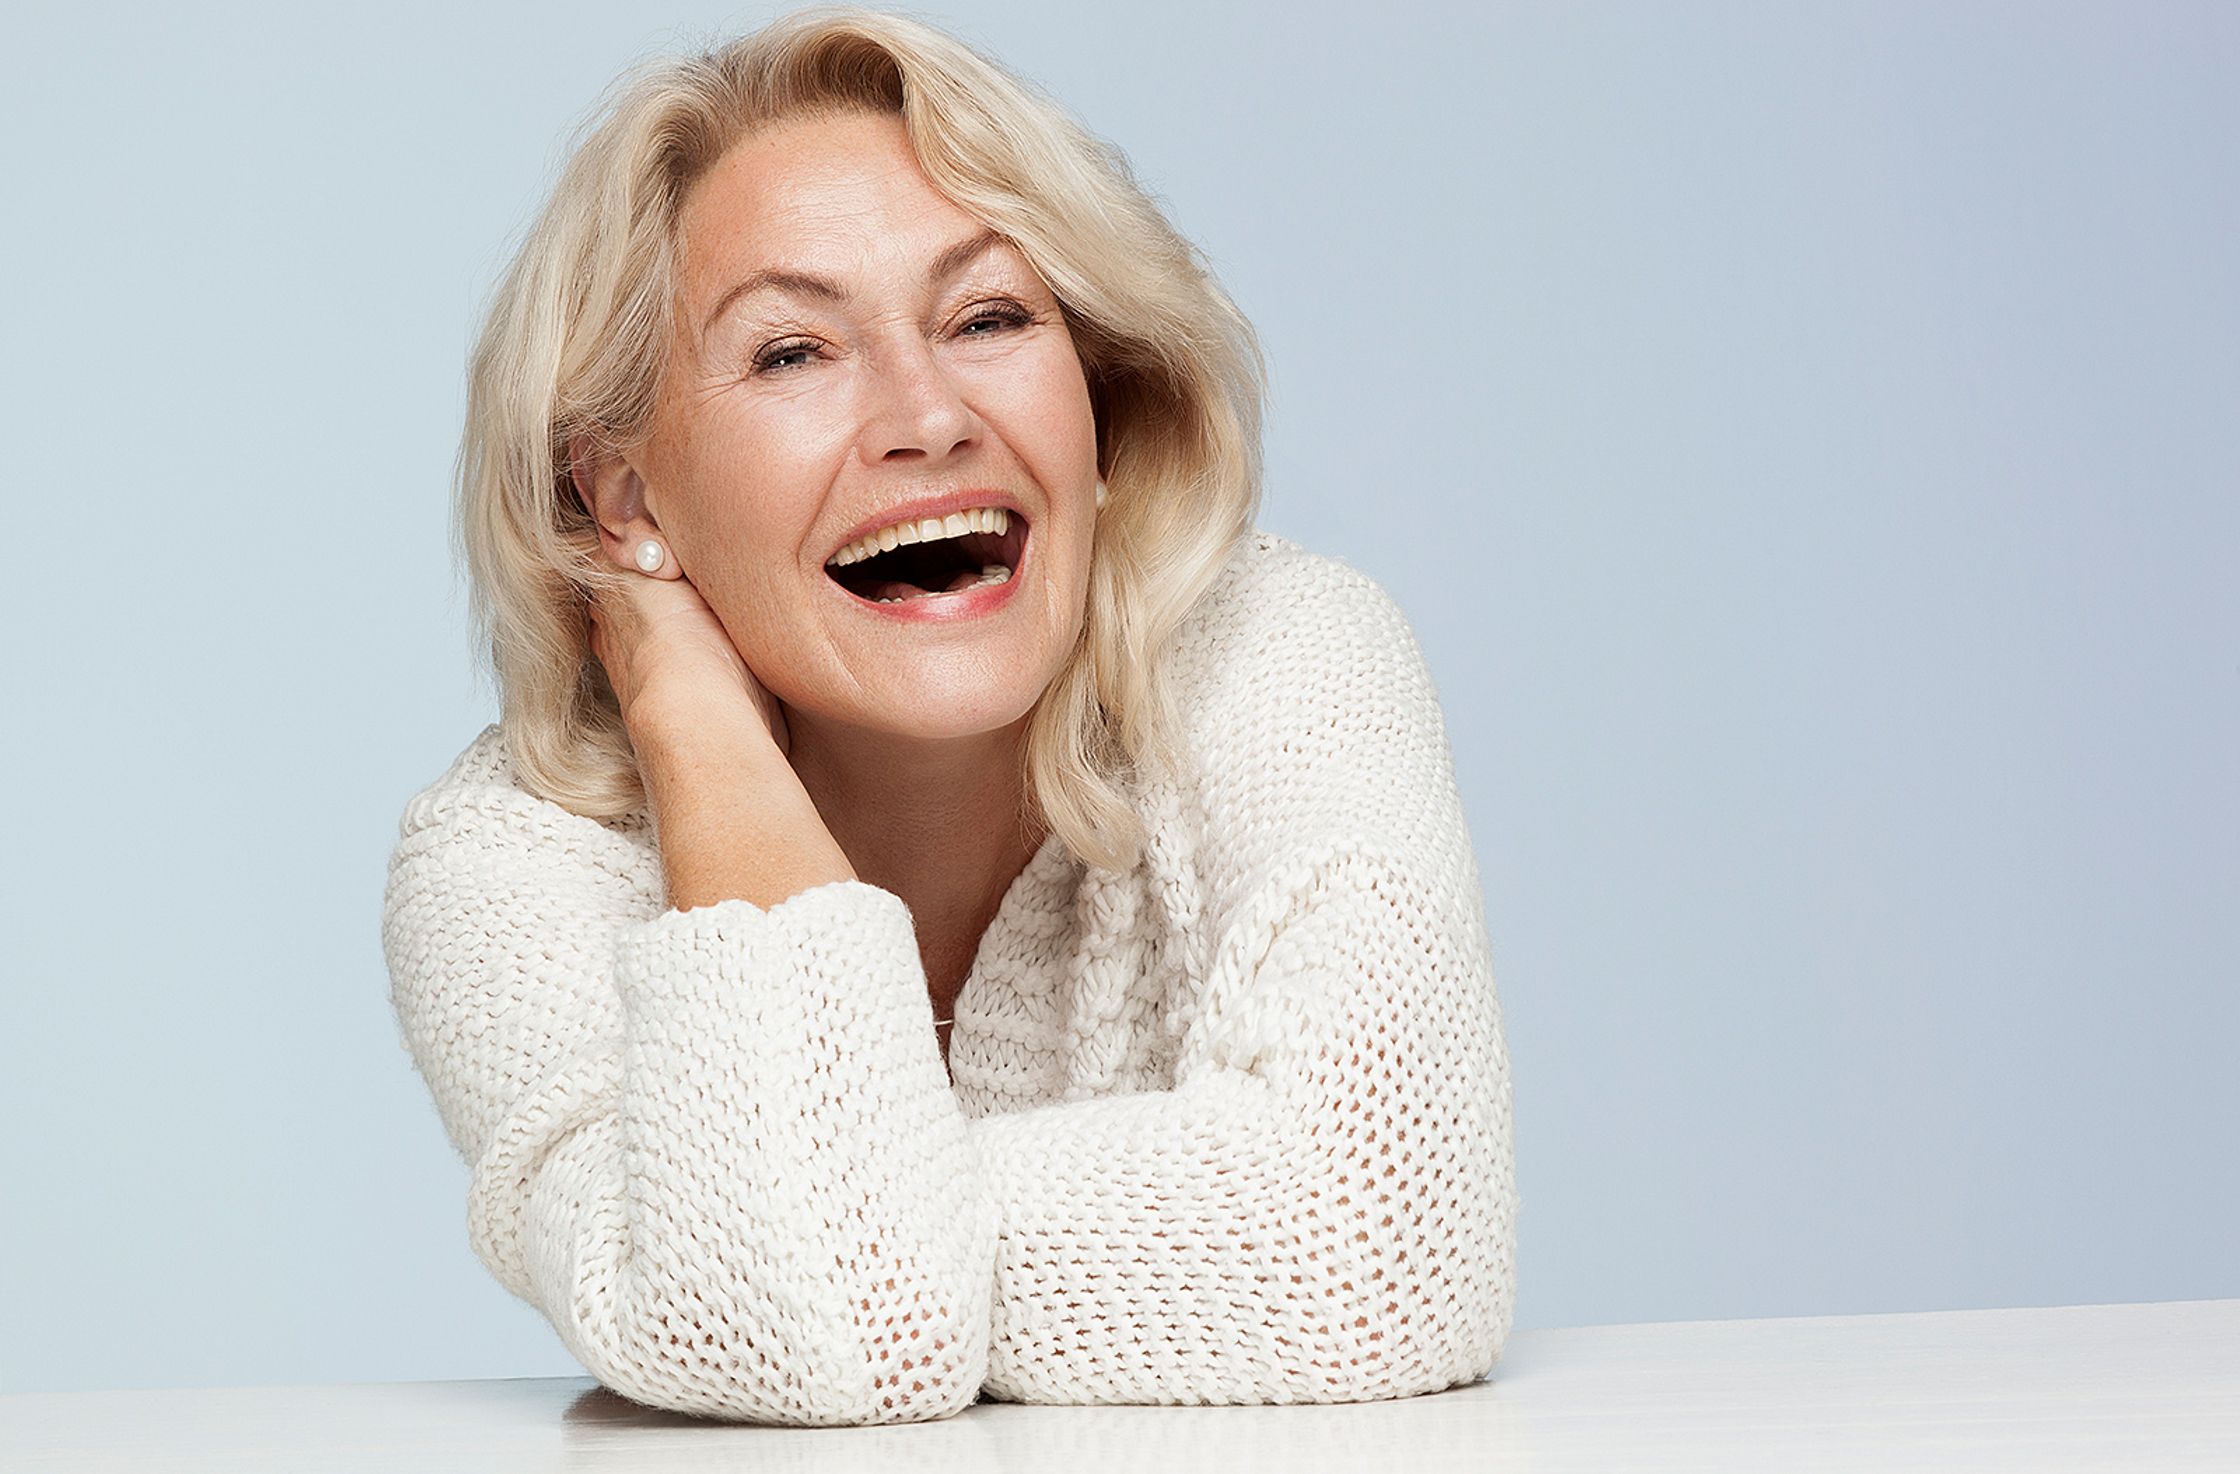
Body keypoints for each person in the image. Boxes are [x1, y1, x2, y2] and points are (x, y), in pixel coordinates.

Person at [381, 4, 1518, 1427]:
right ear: (623, 496)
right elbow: (825, 1330)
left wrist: (822, 1228)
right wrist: (689, 720)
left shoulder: (1282, 655)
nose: (927, 414)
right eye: (794, 351)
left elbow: (1385, 1247)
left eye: (988, 317)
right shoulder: (507, 869)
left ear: (1098, 404)